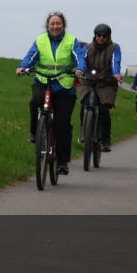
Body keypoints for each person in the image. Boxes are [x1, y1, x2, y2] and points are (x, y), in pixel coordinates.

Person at [16, 11, 82, 175]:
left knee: (63, 123)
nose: (55, 26)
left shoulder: (71, 41)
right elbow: (31, 56)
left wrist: (80, 69)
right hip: (43, 81)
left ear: (63, 25)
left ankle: (62, 162)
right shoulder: (40, 40)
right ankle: (34, 132)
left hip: (64, 85)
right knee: (34, 102)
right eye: (52, 23)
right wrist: (23, 67)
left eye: (58, 23)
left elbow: (79, 56)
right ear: (47, 26)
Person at [75, 23, 122, 153]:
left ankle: (106, 140)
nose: (101, 38)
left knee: (103, 110)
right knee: (84, 104)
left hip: (106, 82)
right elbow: (83, 60)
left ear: (108, 36)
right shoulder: (87, 47)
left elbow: (115, 61)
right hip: (88, 81)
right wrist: (80, 70)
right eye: (98, 35)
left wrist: (116, 73)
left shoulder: (114, 48)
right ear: (95, 35)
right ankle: (83, 131)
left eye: (104, 36)